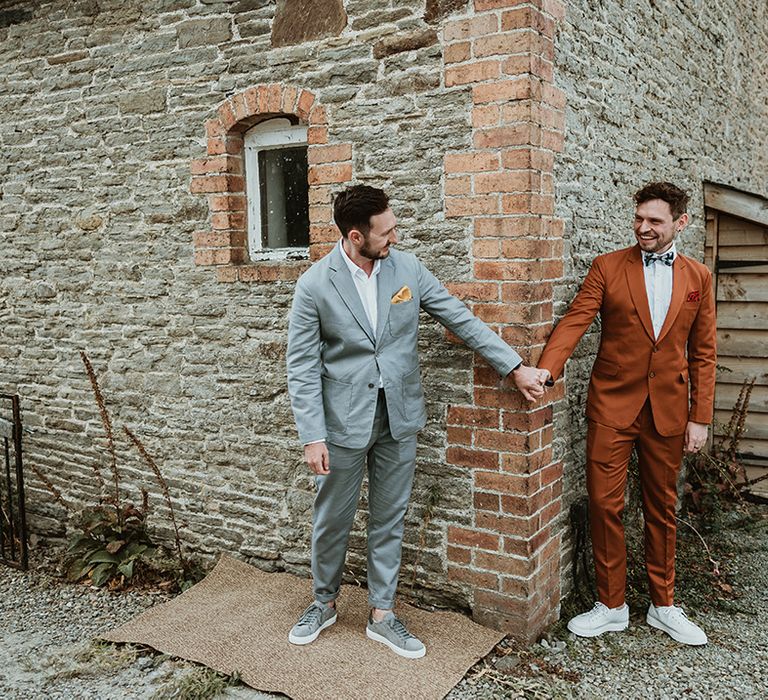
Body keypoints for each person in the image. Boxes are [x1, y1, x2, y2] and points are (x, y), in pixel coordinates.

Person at [286, 184, 547, 658]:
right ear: (354, 236)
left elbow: (459, 318)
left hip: (399, 418)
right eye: (385, 232)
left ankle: (382, 615)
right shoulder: (314, 285)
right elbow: (301, 365)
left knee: (389, 518)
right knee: (333, 519)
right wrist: (312, 436)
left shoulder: (407, 268)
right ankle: (323, 602)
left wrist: (514, 366)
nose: (394, 237)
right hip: (342, 424)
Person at [538, 182, 716, 646]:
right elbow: (577, 318)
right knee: (605, 505)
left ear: (681, 223)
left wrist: (701, 417)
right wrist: (546, 370)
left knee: (663, 508)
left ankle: (664, 605)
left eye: (654, 221)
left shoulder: (699, 278)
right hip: (612, 408)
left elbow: (704, 354)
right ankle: (611, 605)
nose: (643, 228)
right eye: (639, 219)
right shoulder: (608, 267)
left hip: (670, 412)